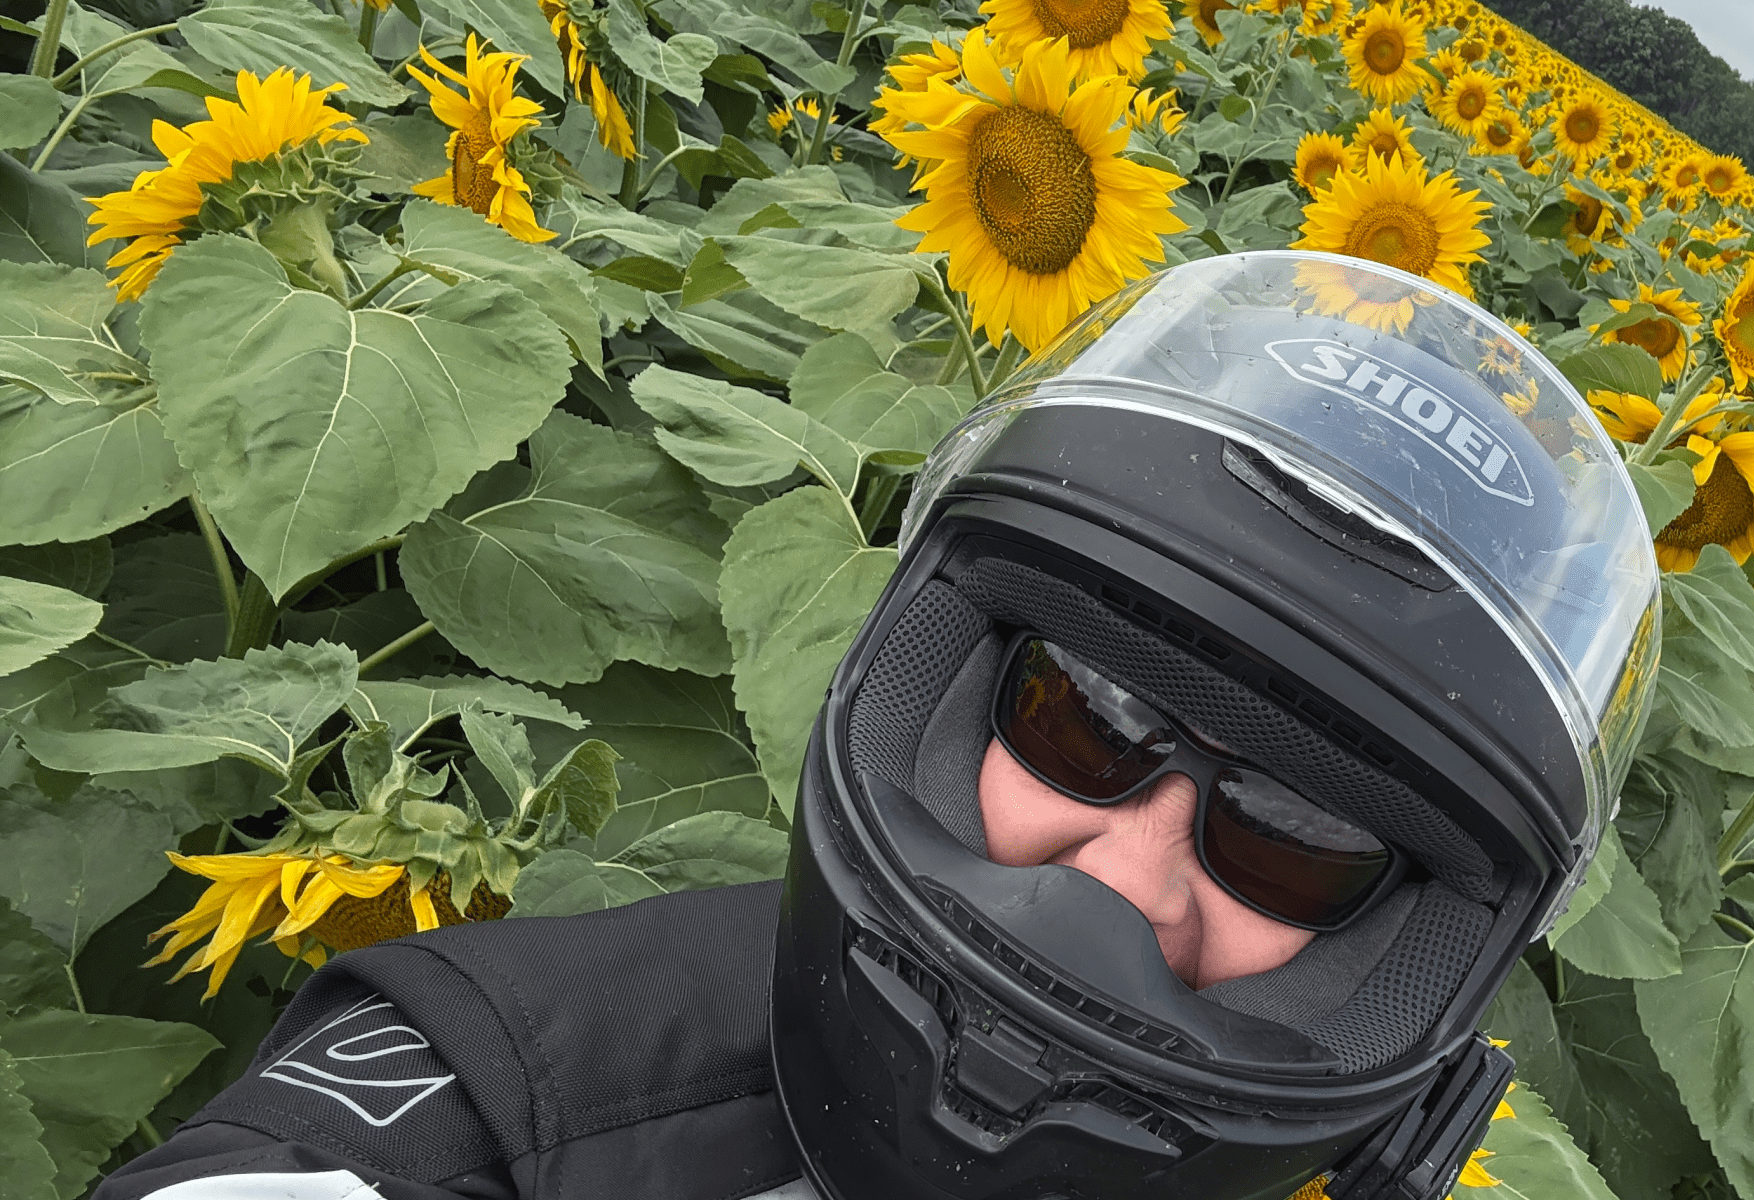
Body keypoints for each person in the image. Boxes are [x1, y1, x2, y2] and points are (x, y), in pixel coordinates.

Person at [97, 251, 1661, 1200]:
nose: (1121, 872)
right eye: (1083, 721)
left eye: (1295, 839)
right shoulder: (495, 1088)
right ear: (953, 682)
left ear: (1407, 962)